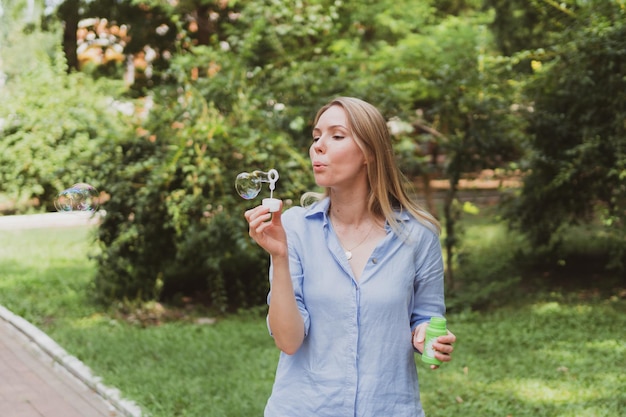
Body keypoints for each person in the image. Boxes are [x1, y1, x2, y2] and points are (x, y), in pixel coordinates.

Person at [244, 97, 456, 417]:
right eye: (316, 136)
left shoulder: (418, 236)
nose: (318, 146)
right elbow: (288, 341)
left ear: (370, 152)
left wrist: (427, 335)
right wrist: (280, 257)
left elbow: (427, 318)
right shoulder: (294, 228)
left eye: (337, 135)